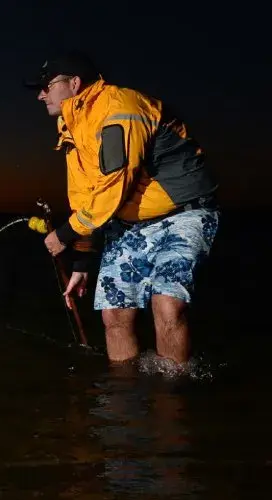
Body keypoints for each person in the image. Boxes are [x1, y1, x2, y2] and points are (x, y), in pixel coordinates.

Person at [23, 51, 220, 365]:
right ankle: (122, 398)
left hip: (183, 213)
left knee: (168, 305)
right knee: (114, 313)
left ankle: (172, 399)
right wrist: (83, 261)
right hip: (128, 223)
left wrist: (65, 234)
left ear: (74, 83)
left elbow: (116, 183)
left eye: (47, 85)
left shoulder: (121, 108)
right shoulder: (72, 126)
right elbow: (87, 196)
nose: (41, 94)